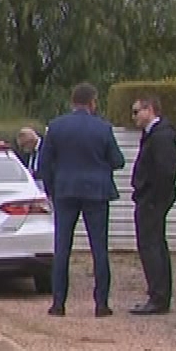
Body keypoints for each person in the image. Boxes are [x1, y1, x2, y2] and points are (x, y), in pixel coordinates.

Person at [34, 82, 127, 318]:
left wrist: (52, 190)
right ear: (92, 102)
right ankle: (101, 304)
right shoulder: (103, 128)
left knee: (62, 247)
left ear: (72, 101)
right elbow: (118, 160)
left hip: (65, 191)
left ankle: (58, 303)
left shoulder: (56, 127)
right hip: (96, 192)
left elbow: (44, 163)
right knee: (99, 248)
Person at [128, 95, 176, 315]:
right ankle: (158, 294)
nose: (134, 117)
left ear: (149, 110)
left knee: (151, 246)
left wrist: (152, 198)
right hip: (150, 198)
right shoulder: (153, 135)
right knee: (154, 244)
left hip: (153, 200)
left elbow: (165, 172)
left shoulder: (161, 137)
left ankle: (158, 296)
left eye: (136, 111)